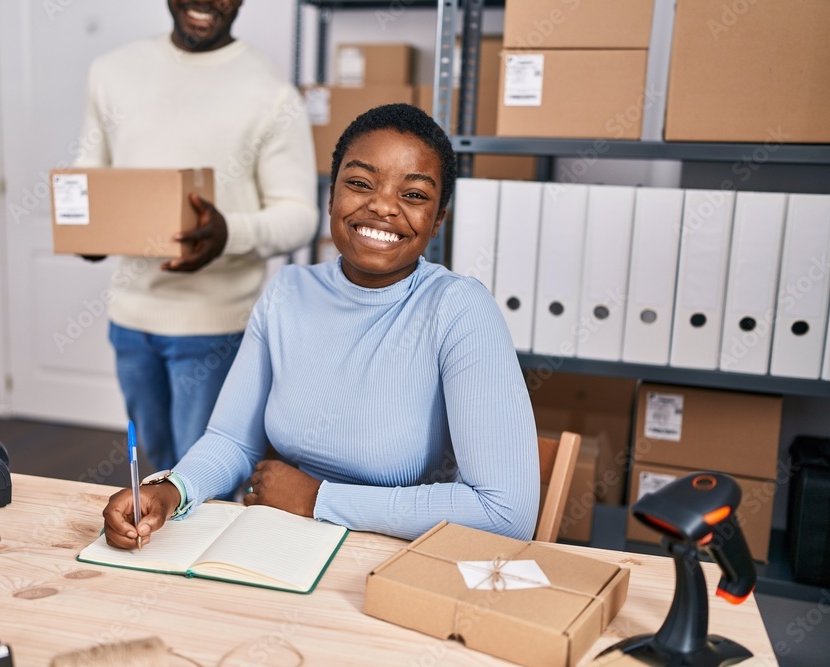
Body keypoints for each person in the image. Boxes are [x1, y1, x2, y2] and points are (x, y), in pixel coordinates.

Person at [102, 103, 539, 545]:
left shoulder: (459, 310)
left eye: (414, 195)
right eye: (359, 183)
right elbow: (231, 440)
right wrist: (169, 491)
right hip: (280, 540)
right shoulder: (288, 291)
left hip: (385, 554)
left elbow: (505, 513)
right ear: (331, 197)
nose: (383, 206)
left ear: (437, 219)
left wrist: (316, 499)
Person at [74, 0, 319, 472]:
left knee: (202, 481)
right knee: (158, 466)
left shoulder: (271, 93)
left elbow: (300, 215)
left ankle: (210, 549)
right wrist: (87, 227)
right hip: (130, 320)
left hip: (214, 328)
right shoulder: (111, 72)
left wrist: (230, 233)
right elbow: (90, 176)